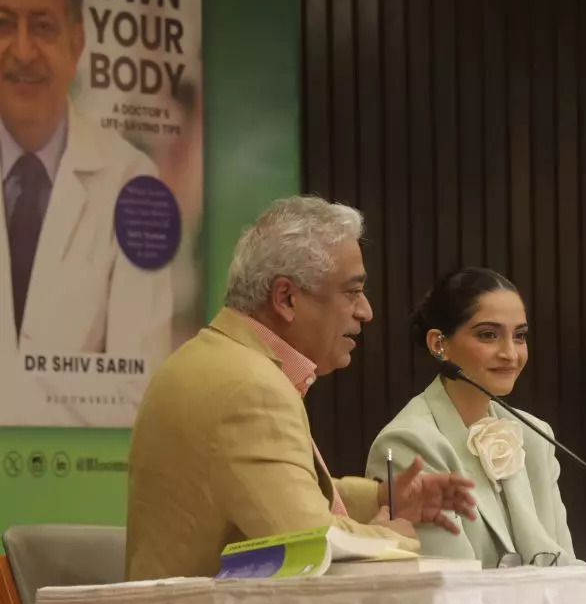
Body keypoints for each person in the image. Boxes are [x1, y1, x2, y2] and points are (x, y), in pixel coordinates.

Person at [126, 197, 477, 580]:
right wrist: (392, 537)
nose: (366, 311)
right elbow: (309, 540)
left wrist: (381, 497)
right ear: (286, 298)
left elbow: (267, 487)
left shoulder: (207, 359)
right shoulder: (250, 387)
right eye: (352, 292)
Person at [0, 0, 170, 369]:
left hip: (86, 435)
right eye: (3, 24)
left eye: (42, 27)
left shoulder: (134, 182)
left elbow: (138, 378)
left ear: (76, 44)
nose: (23, 51)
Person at [367, 267, 578, 567]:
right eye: (489, 335)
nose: (510, 353)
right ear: (439, 344)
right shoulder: (408, 442)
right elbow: (452, 580)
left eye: (519, 336)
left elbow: (564, 563)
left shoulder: (534, 434)